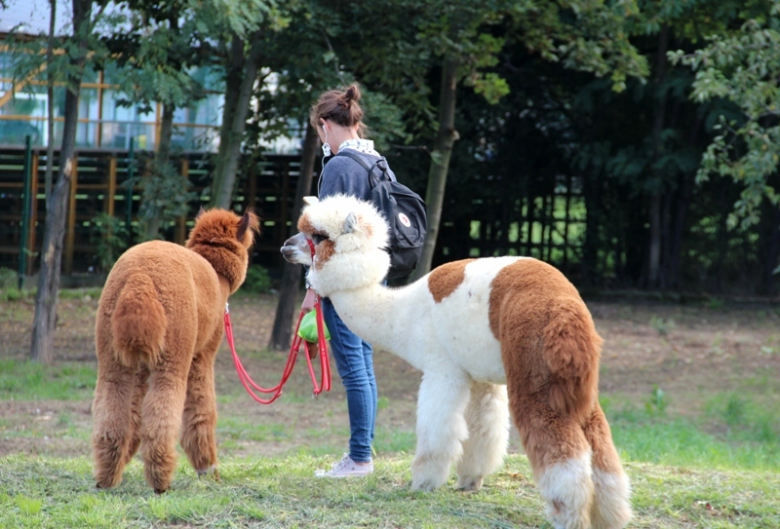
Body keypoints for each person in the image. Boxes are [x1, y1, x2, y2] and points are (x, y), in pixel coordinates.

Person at [304, 83, 397, 478]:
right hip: (374, 277)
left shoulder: (339, 167)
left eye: (318, 131)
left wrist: (312, 290)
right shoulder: (377, 161)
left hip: (343, 282)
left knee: (354, 369)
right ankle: (363, 453)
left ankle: (359, 458)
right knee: (365, 364)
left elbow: (323, 237)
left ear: (325, 125)